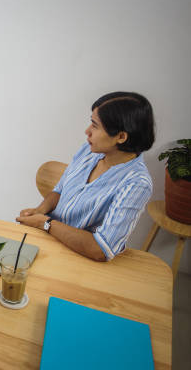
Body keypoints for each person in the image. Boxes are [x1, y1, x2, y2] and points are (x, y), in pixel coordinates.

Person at [16, 92, 155, 261]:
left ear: (121, 137)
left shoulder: (136, 183)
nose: (87, 131)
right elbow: (60, 190)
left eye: (95, 126)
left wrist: (45, 224)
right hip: (48, 240)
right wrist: (40, 211)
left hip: (81, 259)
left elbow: (101, 249)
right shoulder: (89, 151)